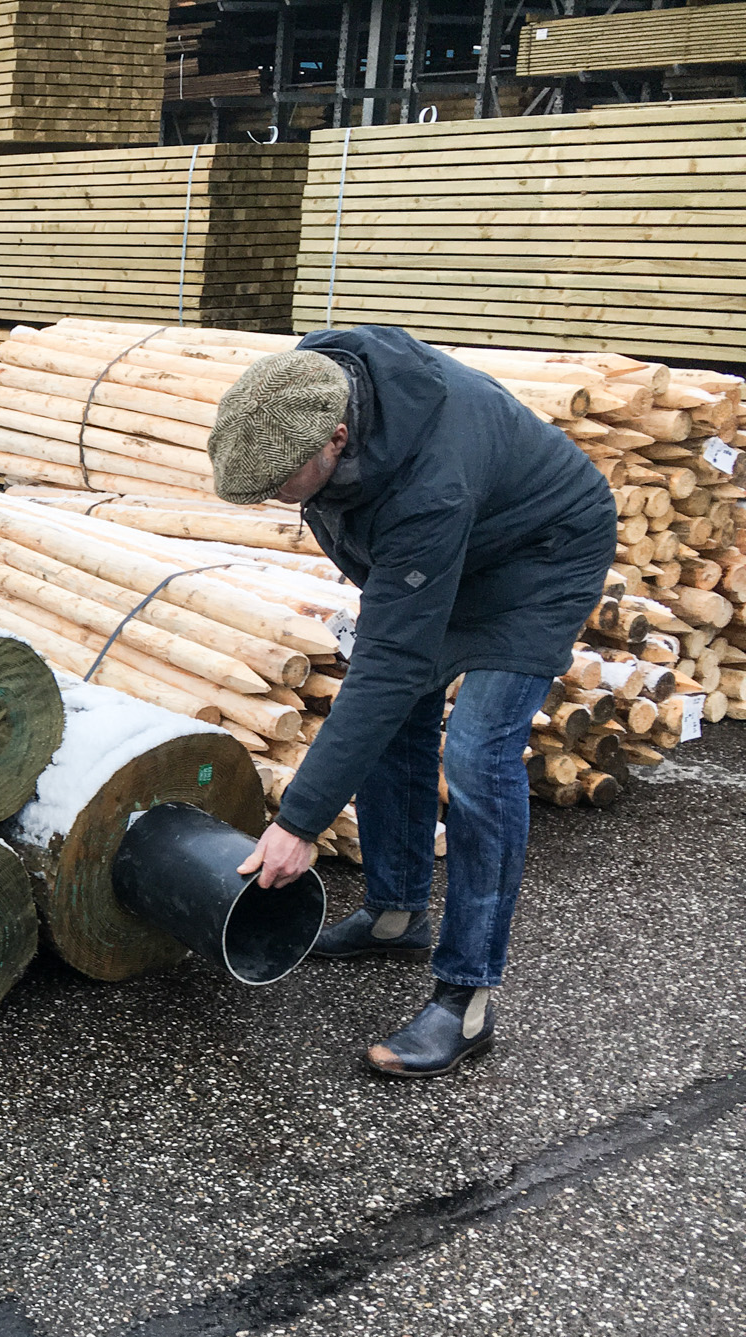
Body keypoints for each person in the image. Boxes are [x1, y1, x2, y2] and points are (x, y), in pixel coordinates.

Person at [210, 326, 617, 1079]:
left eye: (281, 484)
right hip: (457, 545)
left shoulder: (430, 482)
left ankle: (467, 998)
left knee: (479, 757)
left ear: (336, 440)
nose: (275, 498)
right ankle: (395, 914)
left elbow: (392, 662)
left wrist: (300, 822)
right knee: (393, 717)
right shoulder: (308, 387)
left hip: (543, 556)